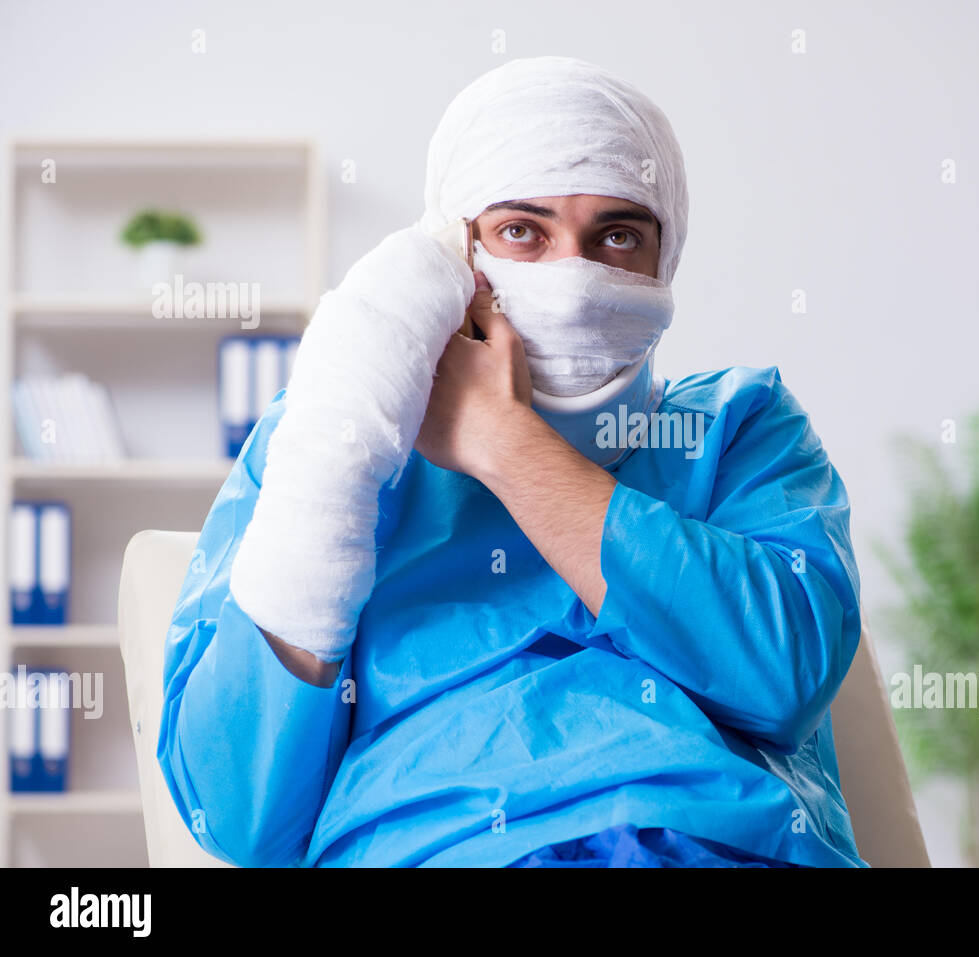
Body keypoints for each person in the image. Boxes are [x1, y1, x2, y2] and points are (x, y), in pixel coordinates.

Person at [158, 55, 867, 868]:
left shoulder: (739, 428)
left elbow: (784, 679)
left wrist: (507, 445)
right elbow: (241, 815)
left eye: (617, 234)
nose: (572, 274)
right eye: (522, 232)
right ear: (455, 250)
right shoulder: (337, 432)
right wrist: (341, 443)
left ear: (664, 257)